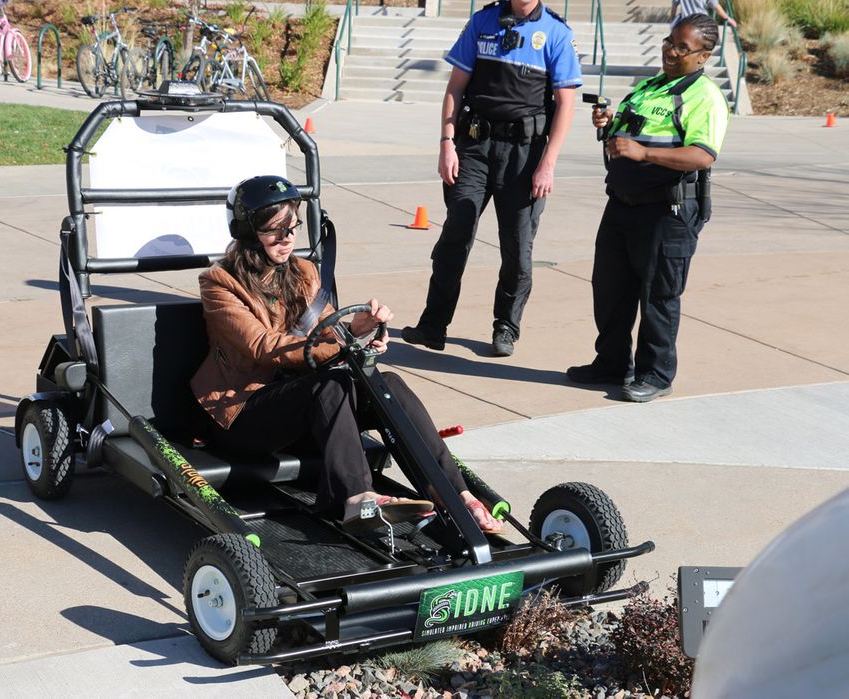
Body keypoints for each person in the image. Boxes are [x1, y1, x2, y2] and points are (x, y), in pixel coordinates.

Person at [190, 175, 506, 533]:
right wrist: (341, 341)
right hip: (243, 412)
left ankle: (453, 493)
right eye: (274, 230)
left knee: (388, 383)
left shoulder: (303, 272)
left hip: (303, 407)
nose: (288, 237)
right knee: (331, 386)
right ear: (248, 232)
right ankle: (356, 500)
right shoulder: (219, 283)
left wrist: (361, 332)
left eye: (291, 226)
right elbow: (262, 347)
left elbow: (327, 330)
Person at [401, 0, 582, 358]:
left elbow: (566, 103)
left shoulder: (557, 33)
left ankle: (506, 327)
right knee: (456, 234)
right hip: (475, 147)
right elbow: (455, 87)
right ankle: (433, 326)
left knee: (517, 246)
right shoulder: (482, 22)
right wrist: (447, 144)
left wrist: (548, 164)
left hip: (524, 156)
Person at [567, 14, 729, 402]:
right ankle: (611, 363)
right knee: (610, 289)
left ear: (703, 57)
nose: (671, 52)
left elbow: (702, 155)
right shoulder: (648, 88)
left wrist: (642, 152)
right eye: (670, 42)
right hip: (622, 205)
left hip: (665, 212)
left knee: (658, 296)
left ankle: (655, 375)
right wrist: (607, 125)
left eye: (682, 48)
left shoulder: (703, 96)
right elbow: (623, 137)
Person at [671, 0, 736, 29]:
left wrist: (672, 20)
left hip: (685, 22)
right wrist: (728, 19)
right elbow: (715, 6)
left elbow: (674, 8)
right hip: (701, 22)